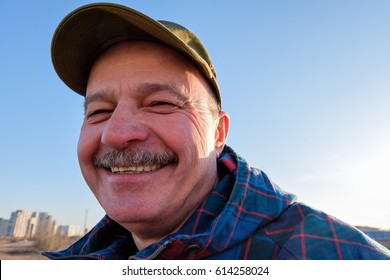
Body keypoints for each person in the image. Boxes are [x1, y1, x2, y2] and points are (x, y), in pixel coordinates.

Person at [43, 3, 390, 260]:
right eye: (99, 112)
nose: (116, 134)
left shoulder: (338, 257)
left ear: (218, 133)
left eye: (161, 103)